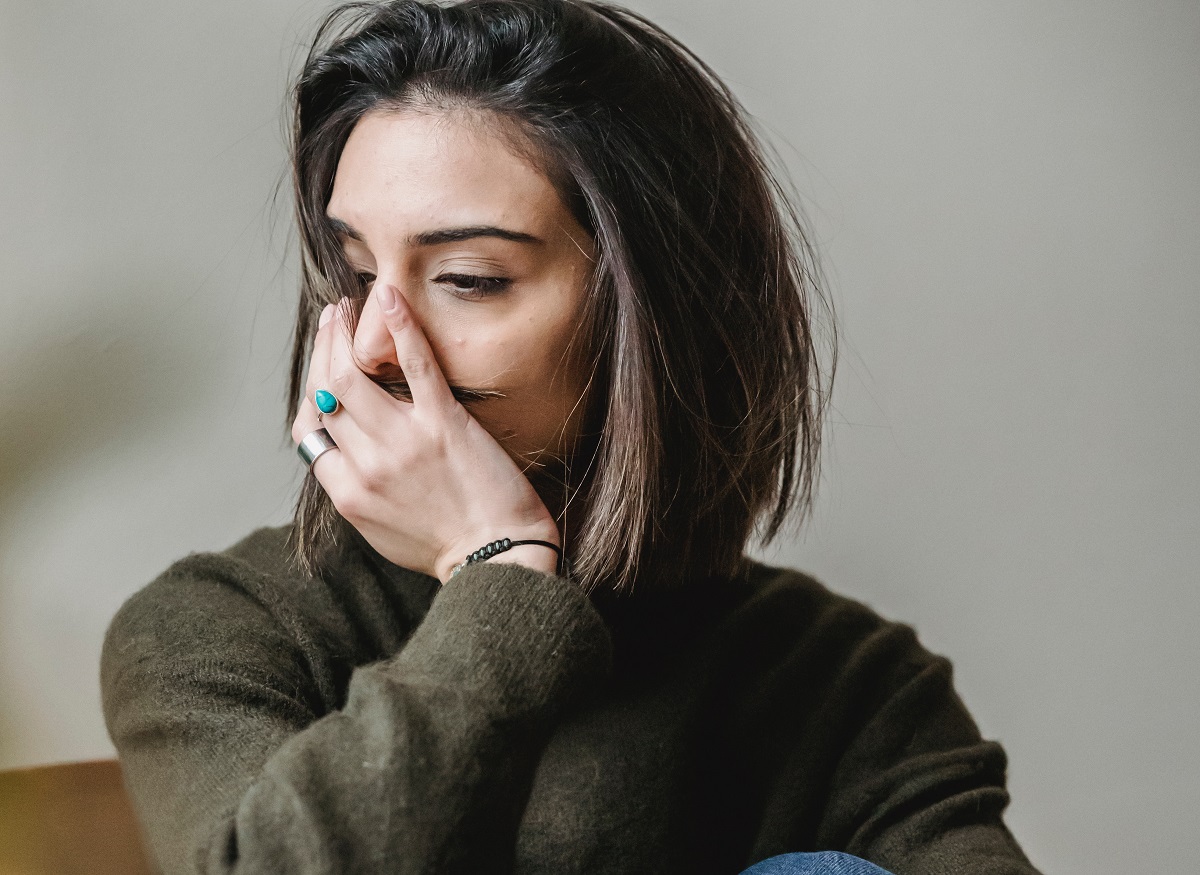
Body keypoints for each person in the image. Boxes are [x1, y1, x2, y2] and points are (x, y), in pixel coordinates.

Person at [100, 1, 1042, 873]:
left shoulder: (842, 681)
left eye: (469, 277)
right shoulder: (222, 627)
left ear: (656, 312)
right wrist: (501, 578)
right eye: (354, 272)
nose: (377, 343)